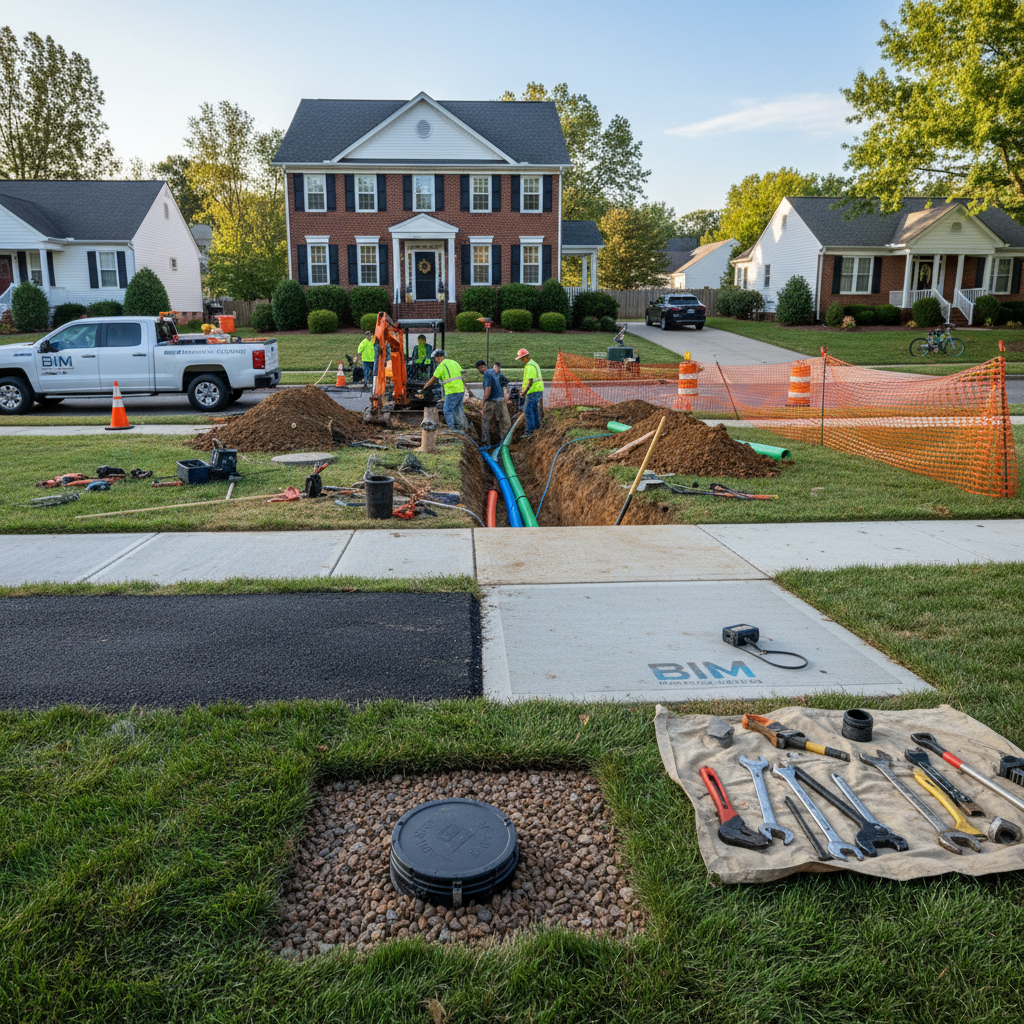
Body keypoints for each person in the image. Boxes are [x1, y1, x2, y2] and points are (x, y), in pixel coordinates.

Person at [422, 349, 470, 434]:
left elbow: (434, 379)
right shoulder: (454, 362)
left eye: (435, 359)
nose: (435, 361)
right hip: (460, 389)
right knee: (458, 409)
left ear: (438, 358)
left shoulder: (441, 365)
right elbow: (461, 375)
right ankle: (463, 427)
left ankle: (452, 430)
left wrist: (424, 387)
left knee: (447, 410)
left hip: (452, 390)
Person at [476, 360, 511, 446]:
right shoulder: (497, 371)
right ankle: (504, 442)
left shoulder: (486, 373)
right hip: (501, 400)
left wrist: (483, 402)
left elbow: (488, 389)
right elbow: (505, 383)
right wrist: (505, 395)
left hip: (491, 400)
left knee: (485, 420)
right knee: (504, 421)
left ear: (481, 367)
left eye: (479, 368)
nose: (480, 370)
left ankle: (485, 442)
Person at [516, 347, 544, 436]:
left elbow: (530, 381)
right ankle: (537, 428)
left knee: (527, 409)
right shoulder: (533, 364)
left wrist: (523, 393)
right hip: (536, 390)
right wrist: (523, 390)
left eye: (521, 359)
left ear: (525, 357)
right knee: (534, 409)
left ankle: (530, 431)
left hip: (533, 391)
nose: (521, 361)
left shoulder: (530, 366)